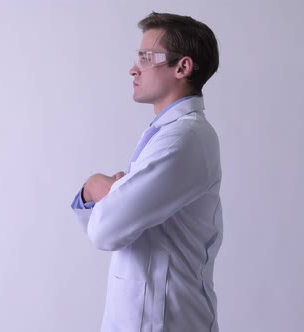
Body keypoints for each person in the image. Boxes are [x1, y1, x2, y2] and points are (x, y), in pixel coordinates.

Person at [70, 12, 222, 332]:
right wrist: (106, 197)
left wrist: (98, 186)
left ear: (183, 67)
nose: (133, 68)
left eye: (146, 57)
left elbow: (106, 230)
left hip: (166, 321)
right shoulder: (165, 132)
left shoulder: (184, 139)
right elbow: (117, 226)